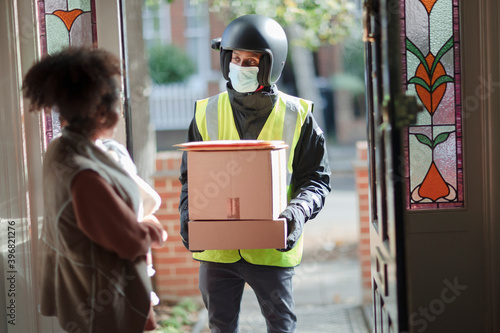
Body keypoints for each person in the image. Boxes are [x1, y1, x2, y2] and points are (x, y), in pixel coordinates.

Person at [178, 14, 331, 333]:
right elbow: (191, 178)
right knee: (220, 327)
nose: (241, 67)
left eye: (251, 61)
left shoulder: (297, 116)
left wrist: (297, 212)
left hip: (272, 249)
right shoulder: (205, 112)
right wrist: (187, 213)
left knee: (281, 326)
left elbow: (315, 180)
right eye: (235, 58)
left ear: (269, 66)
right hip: (218, 251)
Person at [23, 47, 167, 333]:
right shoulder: (84, 173)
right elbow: (131, 240)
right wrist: (153, 228)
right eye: (117, 101)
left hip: (82, 295)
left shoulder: (60, 149)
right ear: (100, 111)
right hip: (104, 307)